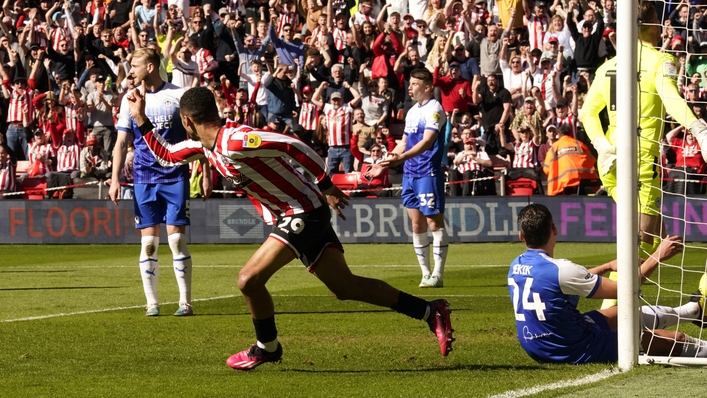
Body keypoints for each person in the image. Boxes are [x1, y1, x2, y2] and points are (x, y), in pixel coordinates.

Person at [130, 85, 454, 369]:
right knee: (345, 288)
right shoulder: (205, 147)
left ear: (186, 120)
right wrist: (140, 117)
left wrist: (327, 186)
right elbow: (165, 155)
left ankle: (267, 348)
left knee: (248, 281)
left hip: (302, 212)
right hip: (298, 213)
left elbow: (293, 145)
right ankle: (429, 311)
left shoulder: (238, 139)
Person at [579, 3, 707, 308]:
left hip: (610, 161)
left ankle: (691, 309)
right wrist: (699, 128)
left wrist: (601, 144)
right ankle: (609, 320)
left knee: (658, 242)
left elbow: (587, 113)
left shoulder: (609, 66)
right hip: (640, 164)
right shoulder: (660, 60)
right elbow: (671, 99)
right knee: (638, 250)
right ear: (651, 25)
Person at [508, 203, 707, 364]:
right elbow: (628, 290)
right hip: (572, 348)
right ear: (554, 229)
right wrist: (658, 255)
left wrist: (607, 266)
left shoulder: (515, 265)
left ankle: (692, 312)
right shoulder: (560, 269)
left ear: (521, 236)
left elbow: (565, 282)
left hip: (539, 347)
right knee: (672, 338)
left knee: (619, 313)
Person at [108, 48, 212, 317]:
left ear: (151, 67)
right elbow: (121, 142)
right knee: (149, 244)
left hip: (175, 174)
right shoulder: (128, 100)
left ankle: (185, 302)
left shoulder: (178, 96)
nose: (130, 69)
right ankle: (151, 303)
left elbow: (198, 137)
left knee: (176, 240)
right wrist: (114, 178)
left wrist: (206, 173)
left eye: (135, 65)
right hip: (143, 177)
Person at [377, 69, 449, 288]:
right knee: (417, 225)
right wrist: (383, 163)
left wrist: (401, 157)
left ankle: (438, 273)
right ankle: (425, 273)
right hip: (409, 174)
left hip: (428, 172)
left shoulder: (435, 109)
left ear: (427, 87)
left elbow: (427, 142)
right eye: (410, 83)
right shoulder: (411, 111)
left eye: (415, 84)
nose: (410, 87)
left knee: (433, 222)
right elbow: (404, 142)